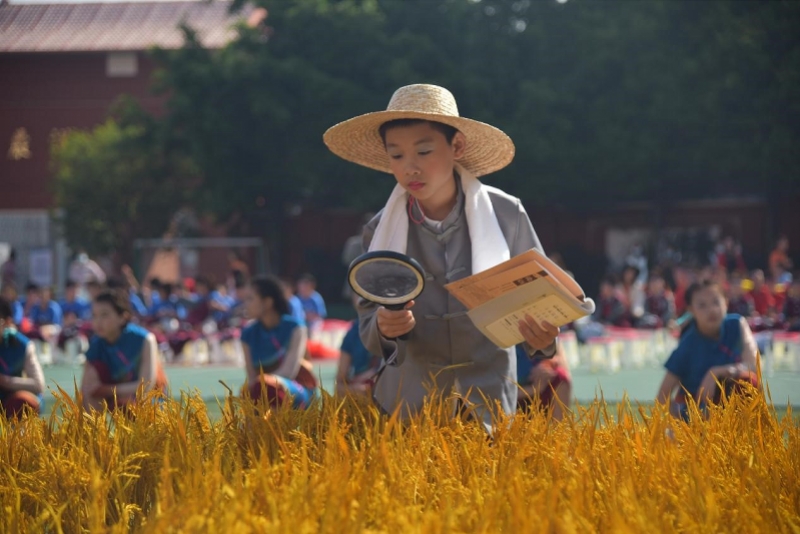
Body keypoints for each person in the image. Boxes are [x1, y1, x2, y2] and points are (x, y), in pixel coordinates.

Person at [323, 84, 559, 430]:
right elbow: (369, 323)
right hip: (410, 401)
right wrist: (385, 327)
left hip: (487, 396)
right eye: (397, 155)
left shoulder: (506, 214)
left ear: (457, 146)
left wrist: (543, 338)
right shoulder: (379, 230)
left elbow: (540, 299)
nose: (410, 168)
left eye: (424, 151)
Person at [656, 281, 760, 420]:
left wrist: (716, 372)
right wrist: (679, 427)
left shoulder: (737, 325)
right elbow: (662, 396)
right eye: (702, 305)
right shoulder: (687, 346)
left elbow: (754, 366)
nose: (711, 310)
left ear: (726, 303)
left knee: (747, 382)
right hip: (696, 414)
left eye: (716, 302)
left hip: (730, 409)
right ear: (691, 310)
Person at [80, 289, 168, 412]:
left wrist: (107, 390)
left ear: (122, 317)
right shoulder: (96, 345)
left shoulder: (144, 339)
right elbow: (85, 388)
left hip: (149, 400)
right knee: (91, 383)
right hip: (117, 396)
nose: (98, 321)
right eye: (94, 315)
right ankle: (92, 429)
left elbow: (145, 386)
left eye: (104, 315)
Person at [240, 276, 317, 409]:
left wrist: (263, 381)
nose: (245, 304)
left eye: (250, 299)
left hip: (296, 389)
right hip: (263, 389)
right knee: (247, 392)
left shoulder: (295, 328)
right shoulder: (248, 334)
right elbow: (251, 375)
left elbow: (289, 371)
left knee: (266, 386)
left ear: (268, 302)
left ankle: (273, 428)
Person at [0, 296, 45, 418]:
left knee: (22, 402)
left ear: (7, 322)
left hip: (10, 401)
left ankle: (17, 436)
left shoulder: (22, 345)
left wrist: (5, 381)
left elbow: (38, 385)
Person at [335, 296, 381, 397]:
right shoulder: (353, 331)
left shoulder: (397, 325)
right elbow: (338, 385)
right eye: (357, 294)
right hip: (361, 391)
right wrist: (354, 389)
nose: (363, 298)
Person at [515, 344, 571, 422]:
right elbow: (497, 390)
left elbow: (563, 363)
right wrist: (533, 389)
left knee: (561, 377)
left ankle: (560, 430)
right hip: (515, 395)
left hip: (541, 388)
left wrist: (548, 364)